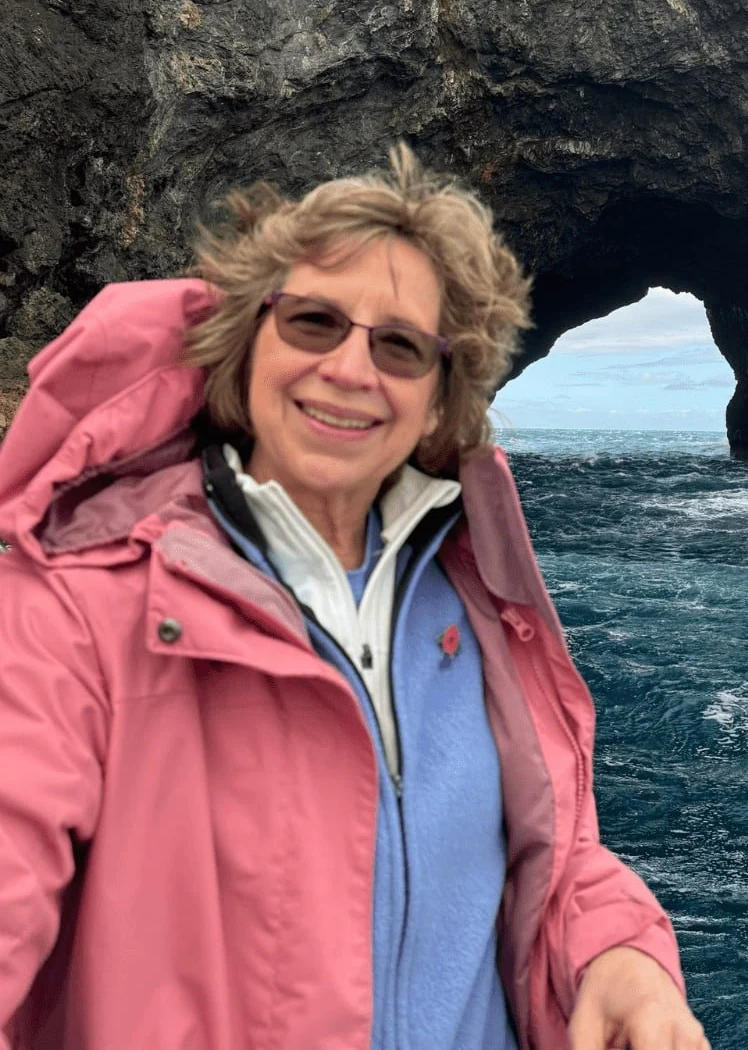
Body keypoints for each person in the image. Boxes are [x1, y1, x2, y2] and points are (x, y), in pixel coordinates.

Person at [0, 146, 708, 1050]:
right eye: (312, 322)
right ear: (246, 339)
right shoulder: (70, 614)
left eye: (400, 346)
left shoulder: (475, 599)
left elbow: (550, 856)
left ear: (440, 396)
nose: (349, 368)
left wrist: (619, 958)